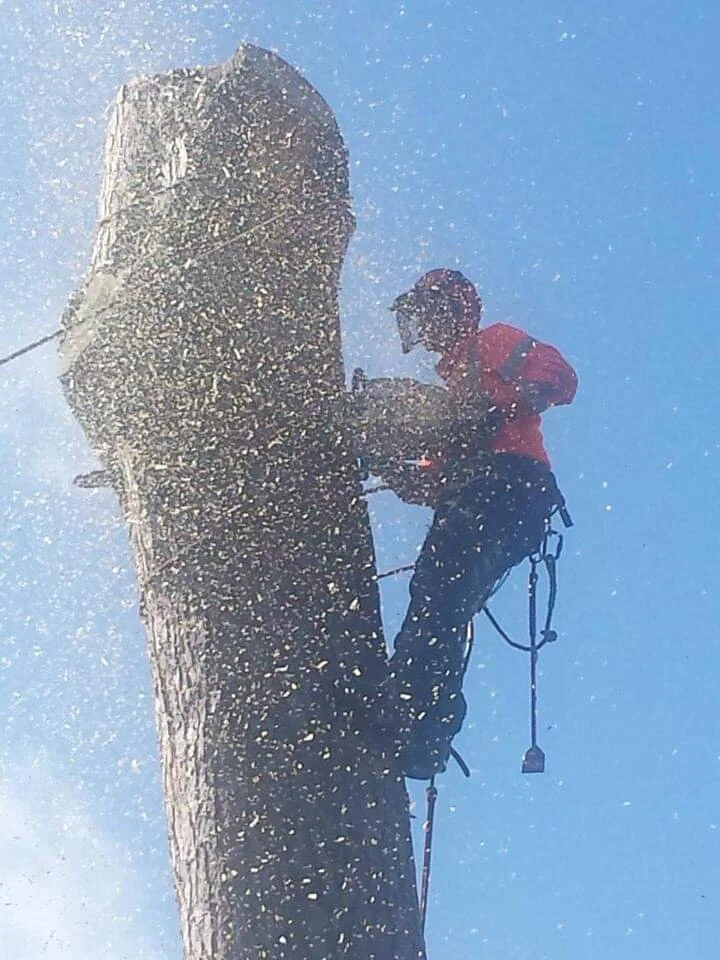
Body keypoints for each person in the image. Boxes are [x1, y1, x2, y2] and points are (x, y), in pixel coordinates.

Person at [384, 268, 578, 780]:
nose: (422, 331)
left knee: (439, 591)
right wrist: (411, 479)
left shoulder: (492, 345)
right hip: (491, 494)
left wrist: (499, 411)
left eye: (426, 316)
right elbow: (447, 464)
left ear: (448, 311)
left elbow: (558, 374)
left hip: (510, 487)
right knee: (440, 599)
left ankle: (413, 711)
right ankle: (420, 719)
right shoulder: (455, 393)